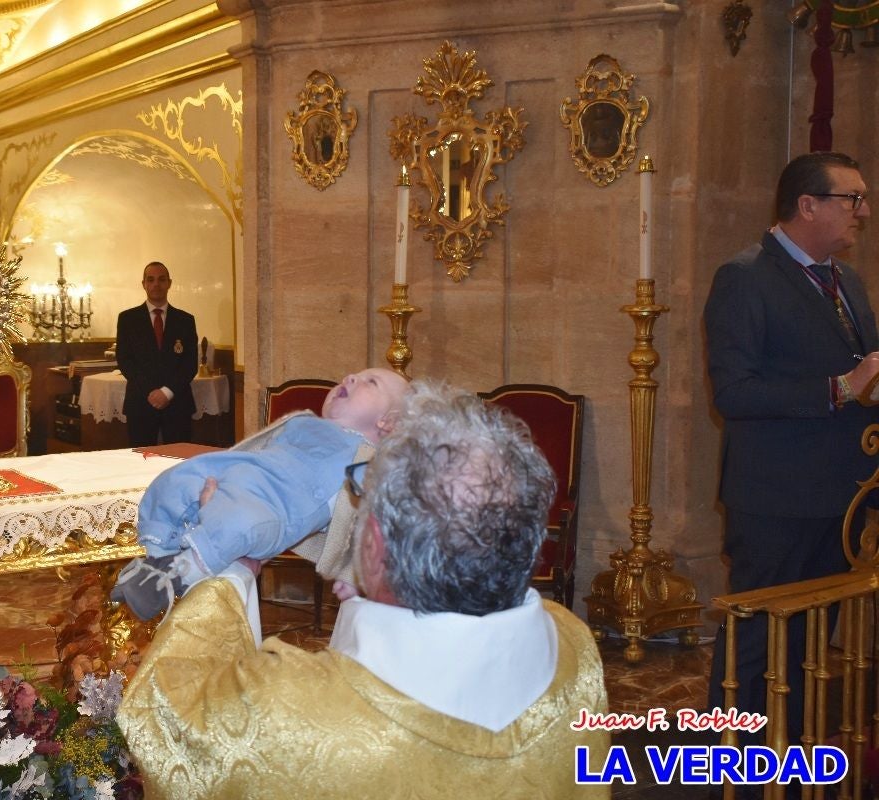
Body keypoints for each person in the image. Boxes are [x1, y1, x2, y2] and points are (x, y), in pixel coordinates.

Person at [117, 381, 611, 798]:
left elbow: (161, 722)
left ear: (373, 543)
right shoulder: (573, 649)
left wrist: (233, 568)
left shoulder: (278, 713)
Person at [705, 151, 879, 739]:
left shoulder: (846, 279)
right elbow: (734, 392)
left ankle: (792, 760)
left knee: (809, 646)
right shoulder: (745, 276)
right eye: (852, 200)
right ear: (808, 205)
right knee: (755, 646)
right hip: (776, 500)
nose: (864, 212)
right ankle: (723, 766)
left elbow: (862, 374)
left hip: (843, 496)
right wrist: (840, 389)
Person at [111, 367, 410, 621]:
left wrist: (356, 575)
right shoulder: (304, 421)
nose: (351, 378)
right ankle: (159, 552)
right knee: (175, 478)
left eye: (370, 382)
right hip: (238, 474)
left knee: (240, 522)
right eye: (353, 375)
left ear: (389, 422)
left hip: (272, 509)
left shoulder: (369, 462)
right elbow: (252, 448)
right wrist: (218, 472)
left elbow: (370, 522)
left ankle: (180, 574)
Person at [115, 262, 198, 446]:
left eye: (161, 279)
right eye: (150, 280)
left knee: (178, 462)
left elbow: (190, 364)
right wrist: (151, 392)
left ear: (169, 283)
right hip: (141, 402)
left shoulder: (185, 320)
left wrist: (167, 392)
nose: (156, 284)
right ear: (143, 284)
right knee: (141, 462)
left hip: (177, 403)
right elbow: (125, 360)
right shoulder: (128, 319)